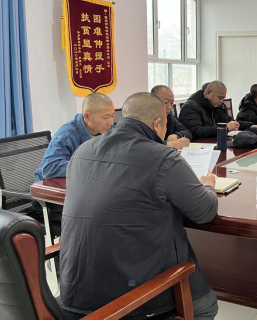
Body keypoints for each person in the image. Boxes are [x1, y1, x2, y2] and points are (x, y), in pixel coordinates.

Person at [60, 92, 219, 320]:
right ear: (157, 124)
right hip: (129, 304)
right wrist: (208, 185)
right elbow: (204, 211)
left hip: (74, 295)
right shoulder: (163, 158)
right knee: (206, 307)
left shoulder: (82, 151)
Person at [34, 93, 115, 232]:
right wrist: (89, 165)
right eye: (105, 117)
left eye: (112, 116)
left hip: (86, 192)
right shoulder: (67, 134)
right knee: (101, 217)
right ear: (87, 116)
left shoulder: (109, 131)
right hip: (53, 201)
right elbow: (49, 168)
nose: (110, 122)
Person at [179, 81, 256, 139]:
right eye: (220, 97)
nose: (221, 101)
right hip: (198, 147)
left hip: (215, 142)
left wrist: (250, 126)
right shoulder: (191, 107)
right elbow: (195, 131)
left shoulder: (218, 106)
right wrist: (225, 128)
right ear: (208, 93)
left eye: (223, 98)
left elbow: (229, 121)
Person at [151, 85, 193, 149]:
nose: (169, 107)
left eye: (171, 103)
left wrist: (176, 135)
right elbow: (145, 143)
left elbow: (186, 131)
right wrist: (171, 144)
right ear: (153, 101)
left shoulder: (168, 115)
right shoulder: (145, 118)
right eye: (165, 103)